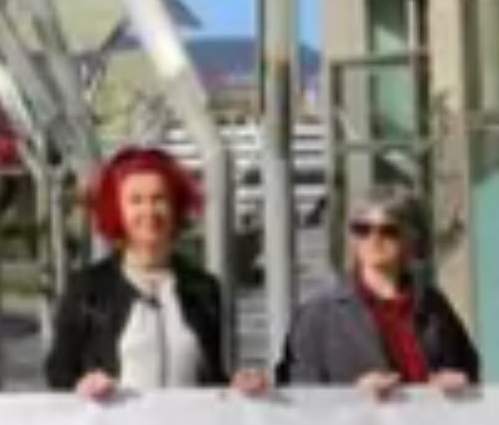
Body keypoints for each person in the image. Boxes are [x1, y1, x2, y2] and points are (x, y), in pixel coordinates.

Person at [47, 147, 271, 399]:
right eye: (136, 201)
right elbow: (59, 374)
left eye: (159, 198)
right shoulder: (87, 289)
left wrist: (239, 384)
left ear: (175, 206)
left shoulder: (204, 289)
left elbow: (213, 378)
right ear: (116, 210)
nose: (149, 211)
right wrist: (84, 386)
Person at [279, 187, 479, 395]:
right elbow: (300, 395)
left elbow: (468, 368)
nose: (374, 239)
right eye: (362, 229)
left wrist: (455, 380)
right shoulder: (319, 312)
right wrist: (354, 394)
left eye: (389, 230)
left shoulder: (433, 304)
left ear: (412, 238)